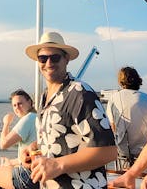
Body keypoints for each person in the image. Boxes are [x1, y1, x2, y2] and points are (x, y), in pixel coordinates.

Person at [21, 31, 117, 189]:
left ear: (66, 59)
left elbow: (109, 150)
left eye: (55, 57)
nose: (48, 62)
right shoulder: (45, 96)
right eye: (43, 58)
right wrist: (33, 149)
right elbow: (61, 136)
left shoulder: (80, 93)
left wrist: (58, 164)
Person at [0, 89, 39, 189]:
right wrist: (11, 162)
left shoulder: (28, 119)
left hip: (29, 176)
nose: (17, 108)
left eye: (20, 104)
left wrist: (6, 123)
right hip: (37, 171)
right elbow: (28, 155)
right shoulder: (36, 117)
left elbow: (3, 144)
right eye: (14, 105)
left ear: (30, 102)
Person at [106, 66, 147, 168]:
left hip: (123, 153)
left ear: (121, 81)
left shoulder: (113, 98)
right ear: (138, 80)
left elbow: (113, 127)